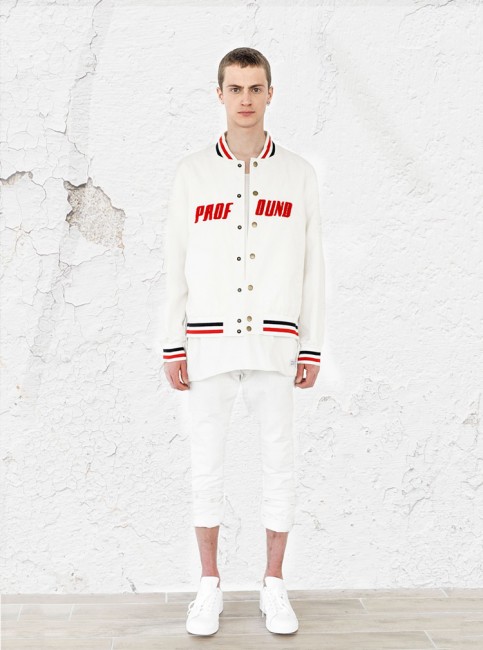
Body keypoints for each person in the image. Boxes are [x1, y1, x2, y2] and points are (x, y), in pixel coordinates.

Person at [161, 47, 325, 636]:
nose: (246, 99)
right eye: (236, 88)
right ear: (220, 94)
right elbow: (174, 262)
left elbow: (312, 268)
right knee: (206, 464)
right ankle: (208, 585)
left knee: (279, 463)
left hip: (275, 346)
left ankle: (273, 585)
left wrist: (311, 345)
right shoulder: (192, 173)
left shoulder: (298, 175)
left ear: (270, 93)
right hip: (207, 344)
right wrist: (172, 343)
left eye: (256, 88)